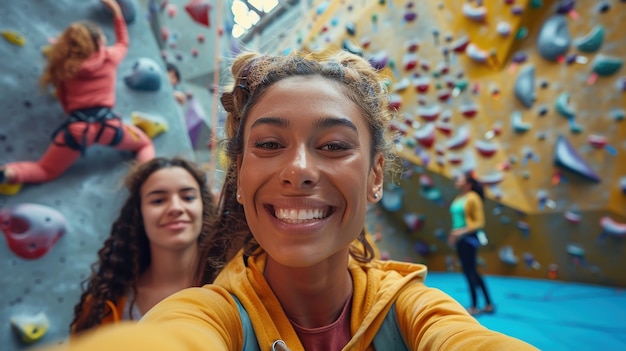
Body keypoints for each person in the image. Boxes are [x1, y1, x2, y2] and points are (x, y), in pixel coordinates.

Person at [39, 50, 538, 350]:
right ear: (238, 176)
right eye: (270, 145)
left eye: (336, 146)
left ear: (375, 176)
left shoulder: (414, 308)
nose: (298, 170)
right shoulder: (208, 313)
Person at [0, 0, 154, 188]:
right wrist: (117, 13)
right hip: (108, 125)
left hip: (78, 129)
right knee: (144, 144)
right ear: (98, 42)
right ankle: (144, 182)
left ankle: (9, 173)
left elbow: (65, 103)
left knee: (46, 170)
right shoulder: (109, 57)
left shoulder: (65, 68)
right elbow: (123, 41)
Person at [70, 156, 216, 335]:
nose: (176, 208)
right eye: (158, 201)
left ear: (204, 206)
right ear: (139, 214)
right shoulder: (104, 303)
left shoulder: (232, 287)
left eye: (188, 197)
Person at [448, 171, 495, 316]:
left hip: (469, 238)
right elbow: (458, 220)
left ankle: (474, 306)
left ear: (468, 183)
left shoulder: (473, 198)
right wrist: (454, 234)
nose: (458, 178)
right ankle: (488, 304)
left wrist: (459, 232)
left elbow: (479, 222)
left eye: (461, 177)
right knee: (472, 271)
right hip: (460, 239)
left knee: (470, 271)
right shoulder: (459, 197)